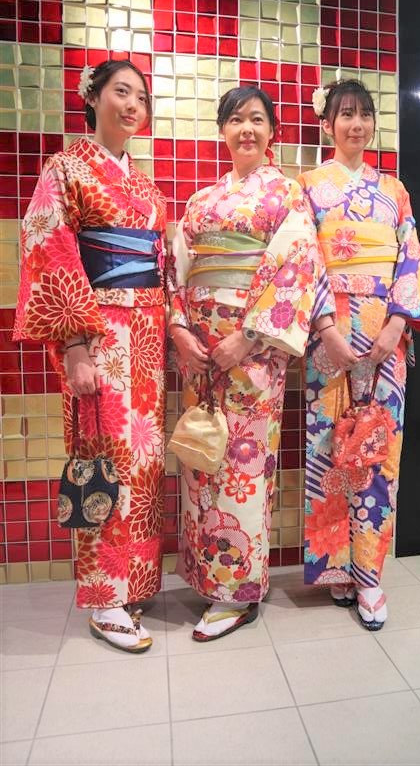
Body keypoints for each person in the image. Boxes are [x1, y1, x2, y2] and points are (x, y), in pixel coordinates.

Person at [13, 59, 168, 653]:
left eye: (141, 97)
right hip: (98, 335)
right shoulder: (65, 168)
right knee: (100, 458)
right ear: (93, 97)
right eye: (121, 92)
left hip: (147, 337)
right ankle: (104, 599)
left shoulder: (145, 187)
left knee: (143, 463)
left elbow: (158, 264)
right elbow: (49, 248)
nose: (132, 105)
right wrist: (74, 346)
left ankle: (133, 584)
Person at [168, 86, 318, 641]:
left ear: (272, 131)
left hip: (252, 357)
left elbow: (296, 267)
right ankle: (205, 579)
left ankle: (237, 592)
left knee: (242, 468)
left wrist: (248, 338)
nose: (246, 129)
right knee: (201, 458)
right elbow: (176, 268)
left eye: (256, 119)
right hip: (201, 356)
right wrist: (180, 330)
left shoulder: (287, 194)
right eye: (235, 120)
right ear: (222, 131)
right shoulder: (201, 201)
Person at [298, 79, 420, 631]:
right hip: (328, 338)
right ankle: (338, 568)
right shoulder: (308, 187)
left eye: (363, 114)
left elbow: (410, 260)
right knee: (330, 451)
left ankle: (370, 576)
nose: (355, 124)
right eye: (345, 114)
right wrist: (326, 328)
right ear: (327, 125)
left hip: (386, 339)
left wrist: (397, 323)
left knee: (379, 452)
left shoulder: (394, 190)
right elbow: (303, 262)